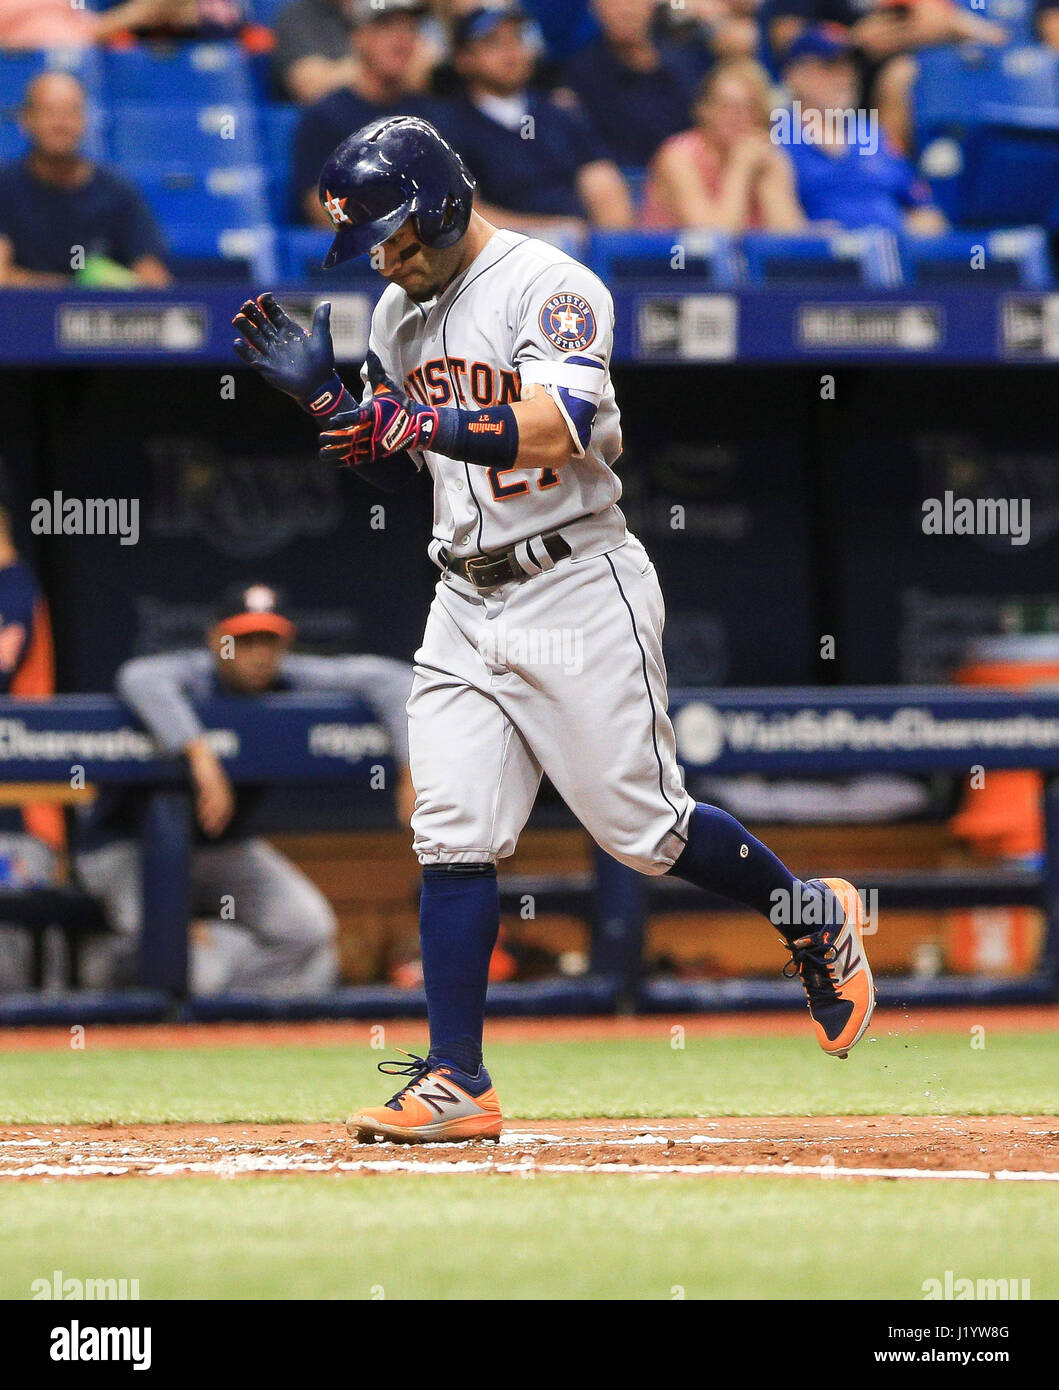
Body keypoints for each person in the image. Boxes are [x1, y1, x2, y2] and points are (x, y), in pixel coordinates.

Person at [232, 114, 877, 1143]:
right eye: (373, 246)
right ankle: (458, 1078)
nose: (386, 259)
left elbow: (561, 422)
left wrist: (418, 420)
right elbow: (400, 446)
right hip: (462, 595)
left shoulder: (553, 284)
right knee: (448, 828)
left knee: (647, 832)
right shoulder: (397, 319)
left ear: (442, 202)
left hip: (574, 580)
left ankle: (812, 917)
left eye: (397, 235)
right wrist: (327, 399)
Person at [75, 584, 415, 995]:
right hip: (129, 846)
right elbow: (138, 677)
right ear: (217, 640)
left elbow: (391, 679)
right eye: (243, 640)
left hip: (222, 847)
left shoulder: (290, 678)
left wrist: (409, 770)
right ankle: (115, 968)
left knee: (308, 931)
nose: (257, 653)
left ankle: (228, 1012)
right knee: (179, 963)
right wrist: (200, 754)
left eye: (268, 641)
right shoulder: (193, 675)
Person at [436, 5, 633, 237]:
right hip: (499, 260)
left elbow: (602, 182)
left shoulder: (560, 114)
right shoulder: (450, 127)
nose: (511, 52)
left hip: (580, 253)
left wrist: (609, 245)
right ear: (463, 58)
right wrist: (553, 233)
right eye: (493, 42)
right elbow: (466, 214)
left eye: (517, 38)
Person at [0, 73, 171, 289]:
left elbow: (154, 279)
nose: (60, 123)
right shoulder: (5, 187)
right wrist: (72, 291)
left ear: (85, 120)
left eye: (71, 112)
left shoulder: (117, 191)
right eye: (49, 111)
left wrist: (122, 284)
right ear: (25, 120)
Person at [780, 27, 946, 233]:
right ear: (796, 75)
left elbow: (924, 208)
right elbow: (776, 227)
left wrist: (909, 235)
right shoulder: (777, 138)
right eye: (830, 66)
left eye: (849, 66)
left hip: (890, 255)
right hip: (818, 258)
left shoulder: (872, 134)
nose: (845, 77)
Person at [292, 0, 440, 225]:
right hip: (360, 252)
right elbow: (319, 205)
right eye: (386, 29)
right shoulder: (326, 116)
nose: (401, 41)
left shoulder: (430, 115)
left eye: (409, 28)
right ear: (358, 38)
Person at [641, 57, 804, 231]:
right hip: (674, 257)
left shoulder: (766, 156)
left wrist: (767, 175)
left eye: (748, 107)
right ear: (704, 109)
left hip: (743, 258)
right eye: (725, 106)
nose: (735, 117)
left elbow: (789, 239)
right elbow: (714, 240)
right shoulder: (677, 157)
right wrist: (741, 167)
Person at [561, 0, 714, 168]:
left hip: (694, 173)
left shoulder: (687, 62)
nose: (625, 11)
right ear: (595, 7)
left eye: (633, 1)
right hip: (626, 181)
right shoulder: (582, 75)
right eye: (614, 3)